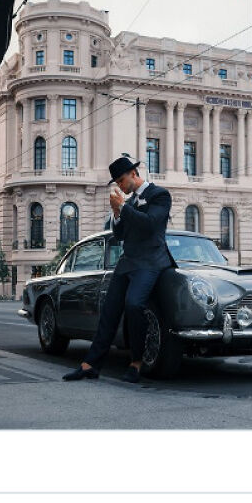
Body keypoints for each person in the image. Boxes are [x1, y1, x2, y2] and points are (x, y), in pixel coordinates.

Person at [63, 154, 174, 384]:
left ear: (134, 173)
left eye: (121, 180)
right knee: (109, 310)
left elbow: (150, 225)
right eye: (117, 183)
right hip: (127, 262)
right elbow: (120, 234)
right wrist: (116, 214)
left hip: (150, 260)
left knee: (134, 304)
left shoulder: (160, 195)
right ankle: (90, 365)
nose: (120, 186)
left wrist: (122, 207)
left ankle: (136, 363)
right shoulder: (130, 203)